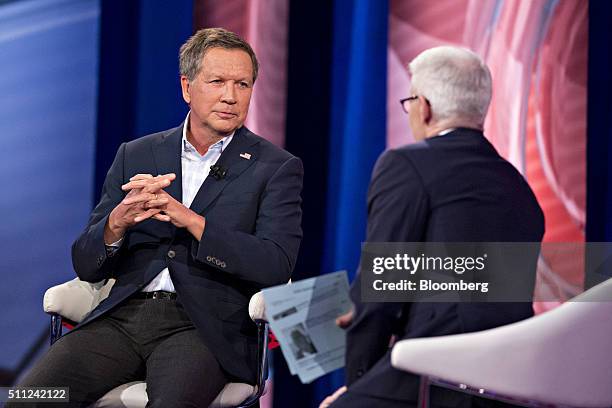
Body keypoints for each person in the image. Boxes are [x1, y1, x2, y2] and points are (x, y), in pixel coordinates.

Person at [13, 28, 303, 407]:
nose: (231, 96)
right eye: (217, 82)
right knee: (31, 398)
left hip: (205, 327)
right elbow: (85, 263)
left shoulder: (275, 167)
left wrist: (191, 221)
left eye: (243, 84)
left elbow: (275, 264)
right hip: (122, 318)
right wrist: (116, 223)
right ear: (187, 87)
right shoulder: (137, 154)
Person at [322, 46, 544, 407]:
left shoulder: (406, 165)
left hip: (435, 379)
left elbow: (379, 296)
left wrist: (359, 386)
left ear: (423, 106)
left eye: (409, 101)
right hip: (507, 386)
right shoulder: (518, 186)